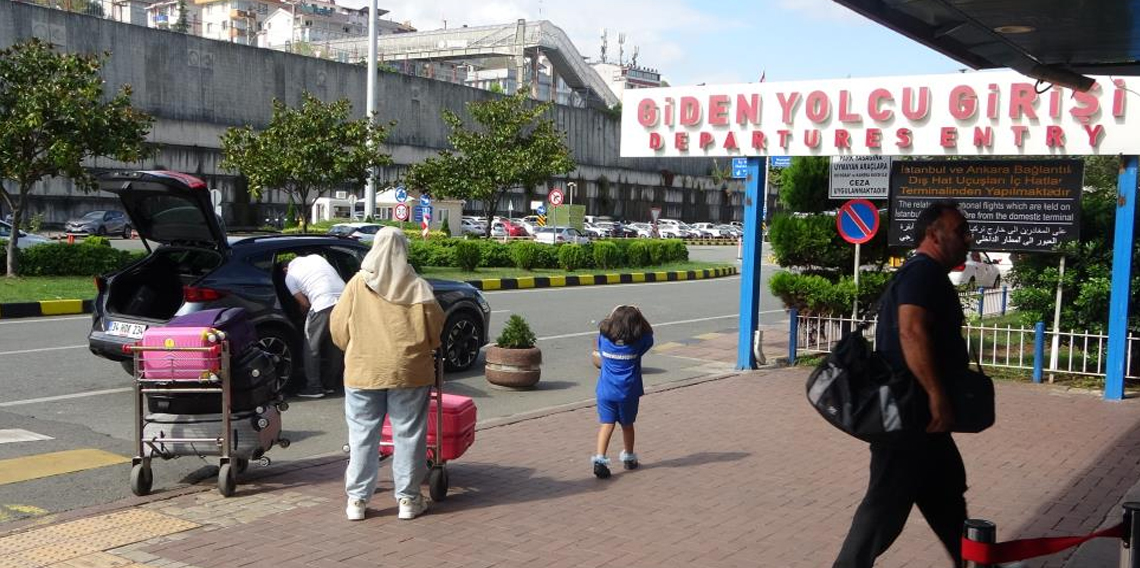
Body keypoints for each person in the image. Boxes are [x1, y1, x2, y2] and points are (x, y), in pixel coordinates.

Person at [833, 200, 973, 568]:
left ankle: (976, 561)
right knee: (881, 514)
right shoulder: (922, 273)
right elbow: (911, 332)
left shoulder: (924, 273)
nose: (967, 238)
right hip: (912, 417)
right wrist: (937, 395)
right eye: (959, 230)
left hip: (923, 421)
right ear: (933, 234)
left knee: (947, 501)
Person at [330, 227, 444, 521]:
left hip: (363, 370)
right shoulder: (418, 286)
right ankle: (408, 499)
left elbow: (338, 327)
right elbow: (436, 330)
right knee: (408, 434)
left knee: (362, 435)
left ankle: (357, 500)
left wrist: (354, 349)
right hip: (409, 371)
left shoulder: (358, 283)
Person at [591, 305, 654, 479]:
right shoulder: (638, 343)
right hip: (628, 392)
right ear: (635, 325)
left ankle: (600, 460)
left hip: (605, 391)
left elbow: (606, 326)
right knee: (627, 426)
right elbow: (649, 334)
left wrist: (614, 312)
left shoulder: (604, 339)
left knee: (606, 424)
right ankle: (629, 458)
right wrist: (639, 314)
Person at [284, 254, 346, 399]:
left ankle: (314, 387)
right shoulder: (317, 258)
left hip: (322, 302)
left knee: (311, 346)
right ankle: (330, 384)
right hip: (344, 300)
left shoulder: (290, 276)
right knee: (335, 343)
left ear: (285, 269)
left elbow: (304, 303)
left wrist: (304, 312)